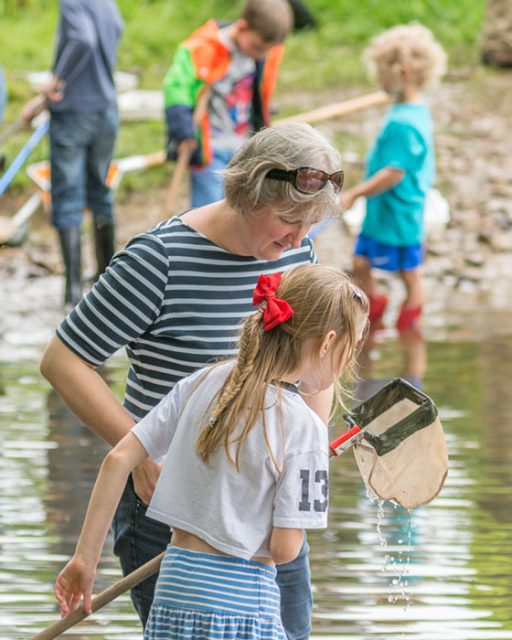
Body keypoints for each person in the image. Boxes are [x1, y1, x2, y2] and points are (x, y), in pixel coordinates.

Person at [40, 121, 344, 639]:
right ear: (247, 191)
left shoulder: (297, 255)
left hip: (270, 504)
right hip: (170, 502)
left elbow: (315, 364)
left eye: (310, 224)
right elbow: (63, 360)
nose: (298, 236)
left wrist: (311, 440)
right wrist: (142, 458)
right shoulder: (158, 259)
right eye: (289, 218)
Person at [53, 263, 369, 639]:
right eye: (351, 349)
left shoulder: (204, 380)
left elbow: (118, 460)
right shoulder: (305, 428)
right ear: (328, 342)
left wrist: (84, 560)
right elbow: (285, 549)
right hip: (241, 606)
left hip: (175, 590)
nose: (348, 364)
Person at [340, 24, 447, 332]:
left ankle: (409, 327)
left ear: (402, 72)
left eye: (381, 72)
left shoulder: (404, 122)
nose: (379, 79)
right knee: (362, 261)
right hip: (386, 211)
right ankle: (375, 307)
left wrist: (356, 193)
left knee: (409, 271)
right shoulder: (411, 108)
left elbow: (394, 173)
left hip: (398, 212)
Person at [23, 0, 123, 308]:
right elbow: (114, 31)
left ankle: (72, 293)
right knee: (100, 193)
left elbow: (83, 39)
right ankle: (106, 283)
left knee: (67, 197)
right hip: (106, 109)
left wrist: (56, 81)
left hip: (73, 114)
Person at [163, 0, 293, 208]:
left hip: (243, 145)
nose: (260, 55)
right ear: (242, 27)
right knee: (209, 207)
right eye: (257, 48)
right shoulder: (204, 49)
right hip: (209, 147)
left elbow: (259, 93)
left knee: (243, 206)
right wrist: (182, 129)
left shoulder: (262, 53)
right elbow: (176, 88)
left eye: (265, 51)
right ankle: (205, 241)